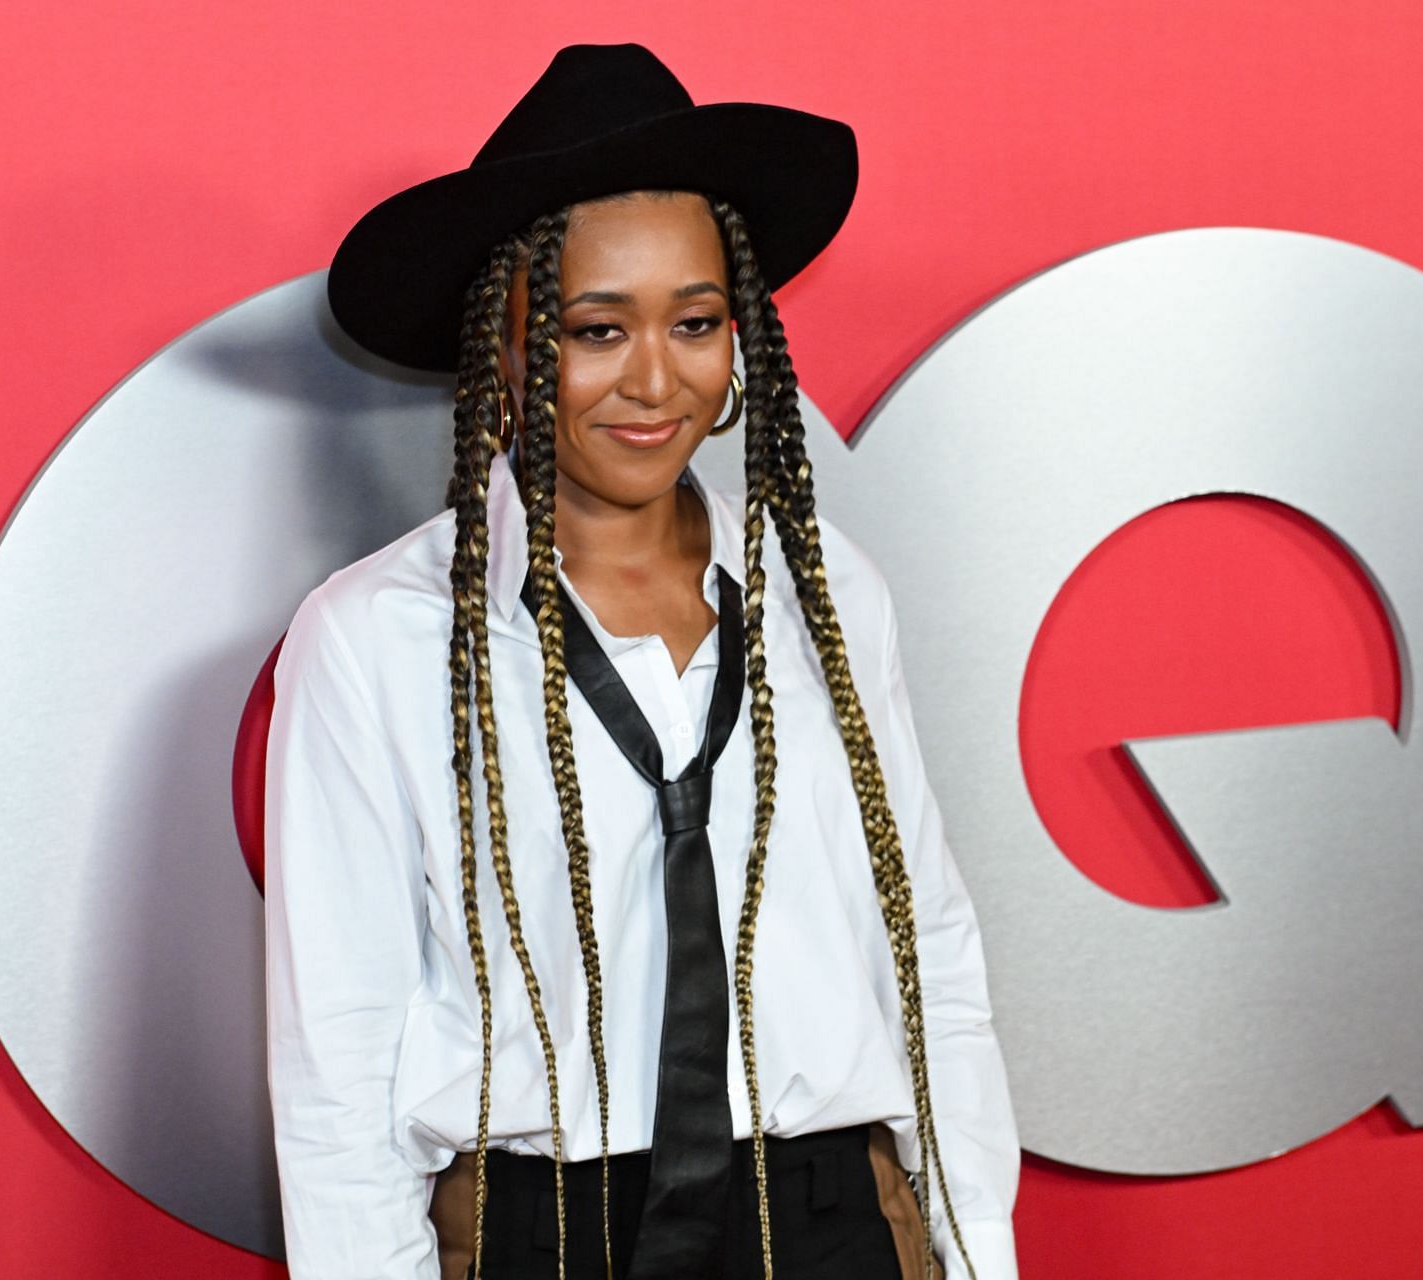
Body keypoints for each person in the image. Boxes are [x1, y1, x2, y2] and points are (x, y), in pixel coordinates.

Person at [265, 42, 1019, 1280]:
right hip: (543, 1233)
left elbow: (926, 943)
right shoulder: (378, 637)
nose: (655, 379)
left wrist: (978, 1248)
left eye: (696, 322)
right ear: (501, 346)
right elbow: (338, 1065)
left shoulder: (826, 593)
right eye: (594, 329)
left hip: (835, 1218)